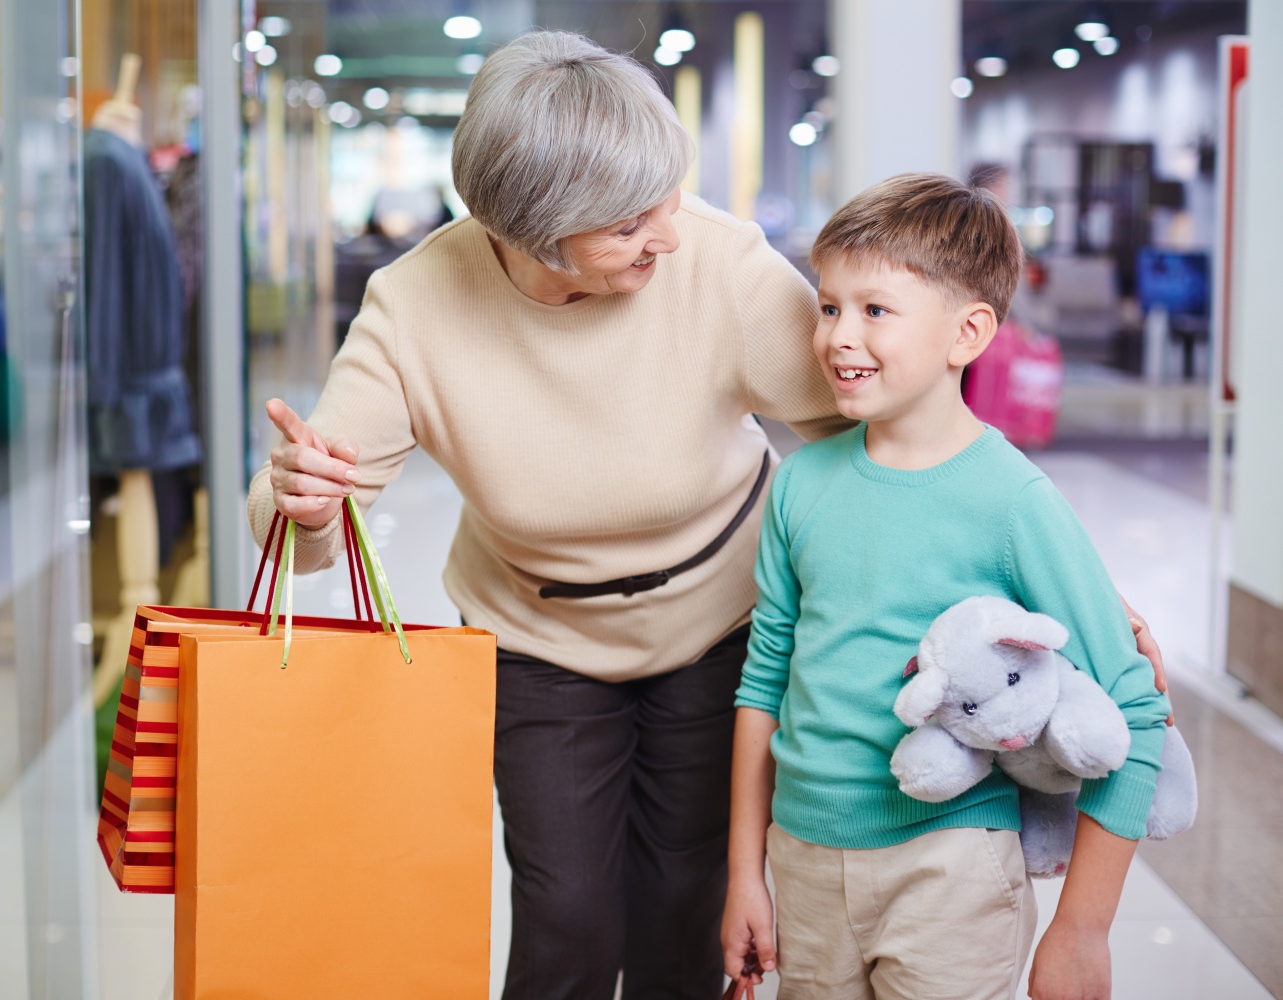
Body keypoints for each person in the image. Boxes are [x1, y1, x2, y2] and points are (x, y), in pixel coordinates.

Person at [251, 33, 1169, 998]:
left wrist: (1078, 594)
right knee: (566, 912)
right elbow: (305, 510)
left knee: (684, 904)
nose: (670, 233)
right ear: (533, 229)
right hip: (537, 635)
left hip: (720, 626)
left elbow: (895, 438)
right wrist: (304, 501)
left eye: (668, 198)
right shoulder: (417, 307)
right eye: (631, 222)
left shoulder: (718, 262)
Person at [720, 174, 1171, 1000]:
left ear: (968, 333)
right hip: (805, 866)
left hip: (954, 868)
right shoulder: (799, 483)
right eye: (828, 307)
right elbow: (765, 680)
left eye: (875, 310)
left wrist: (1082, 930)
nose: (837, 337)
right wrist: (744, 873)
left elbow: (1135, 713)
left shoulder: (1012, 500)